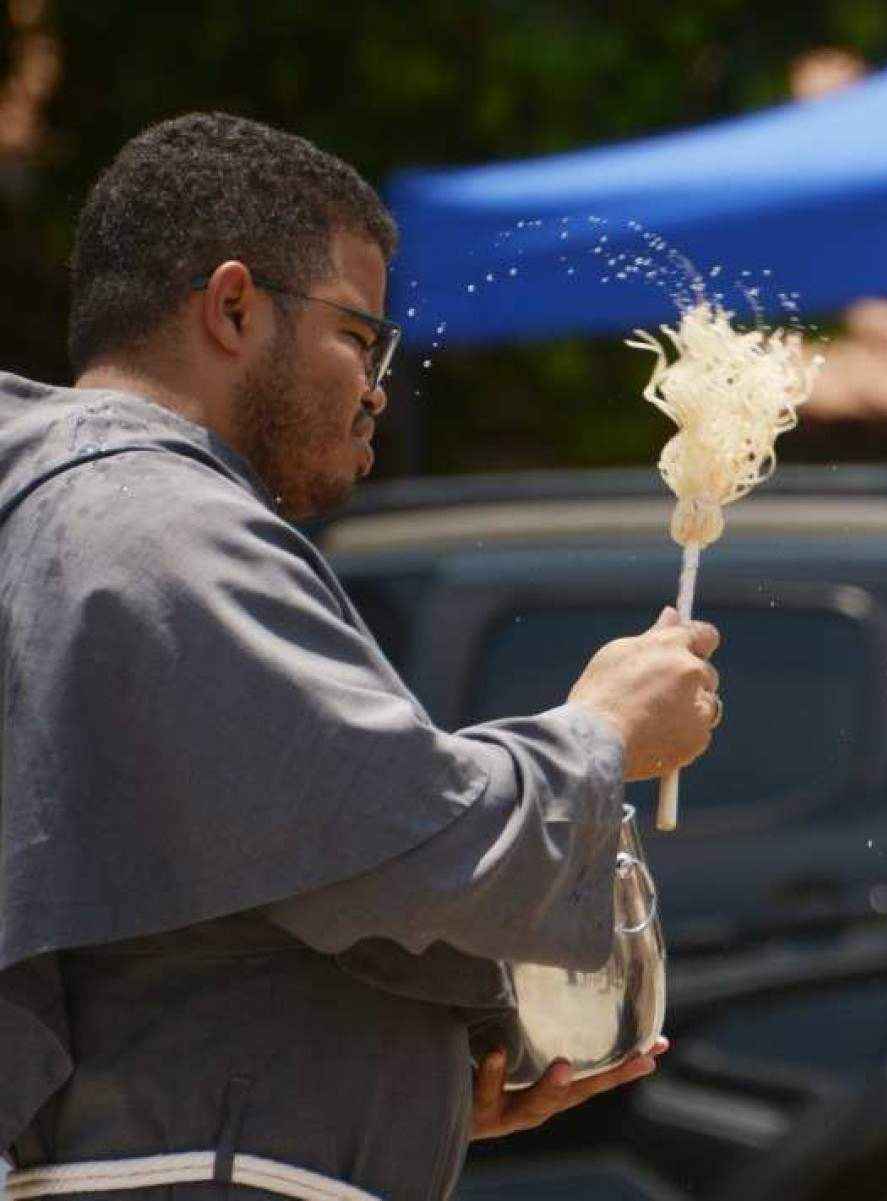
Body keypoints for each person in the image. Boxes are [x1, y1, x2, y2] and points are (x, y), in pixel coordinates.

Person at [0, 113, 723, 1198]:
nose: (379, 385)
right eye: (359, 334)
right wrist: (602, 729)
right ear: (233, 306)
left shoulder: (64, 512)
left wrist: (423, 1065)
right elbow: (409, 842)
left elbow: (202, 906)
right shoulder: (157, 526)